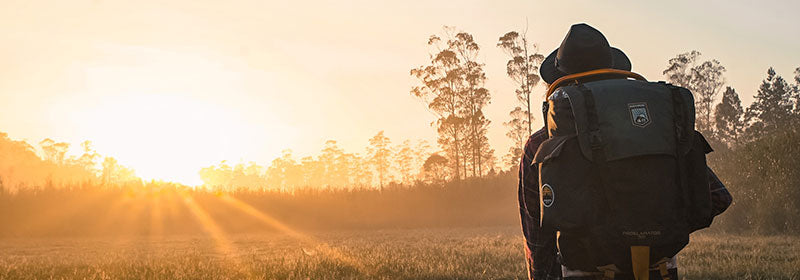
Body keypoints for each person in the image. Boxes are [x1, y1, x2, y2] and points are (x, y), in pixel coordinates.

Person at [517, 23, 733, 280]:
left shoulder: (541, 144)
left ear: (558, 82)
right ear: (614, 74)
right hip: (661, 271)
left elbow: (538, 238)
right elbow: (718, 197)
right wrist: (659, 229)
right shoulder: (656, 129)